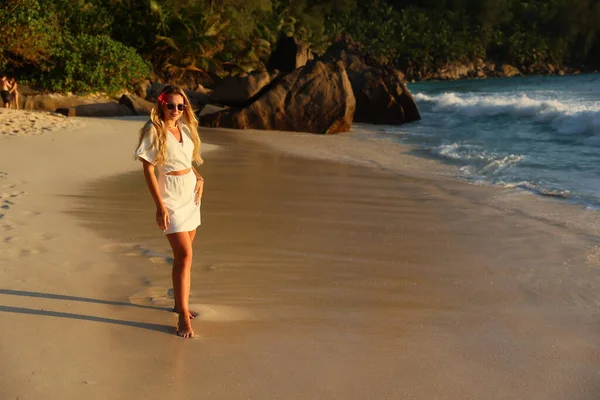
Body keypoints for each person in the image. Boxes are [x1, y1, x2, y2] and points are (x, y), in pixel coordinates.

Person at [135, 85, 204, 338]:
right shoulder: (153, 131)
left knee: (182, 258)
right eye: (171, 105)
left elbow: (186, 163)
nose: (176, 110)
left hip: (190, 195)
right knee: (185, 254)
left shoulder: (185, 129)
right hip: (171, 198)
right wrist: (160, 206)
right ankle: (183, 317)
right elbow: (149, 170)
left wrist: (199, 178)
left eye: (181, 106)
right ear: (161, 104)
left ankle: (178, 303)